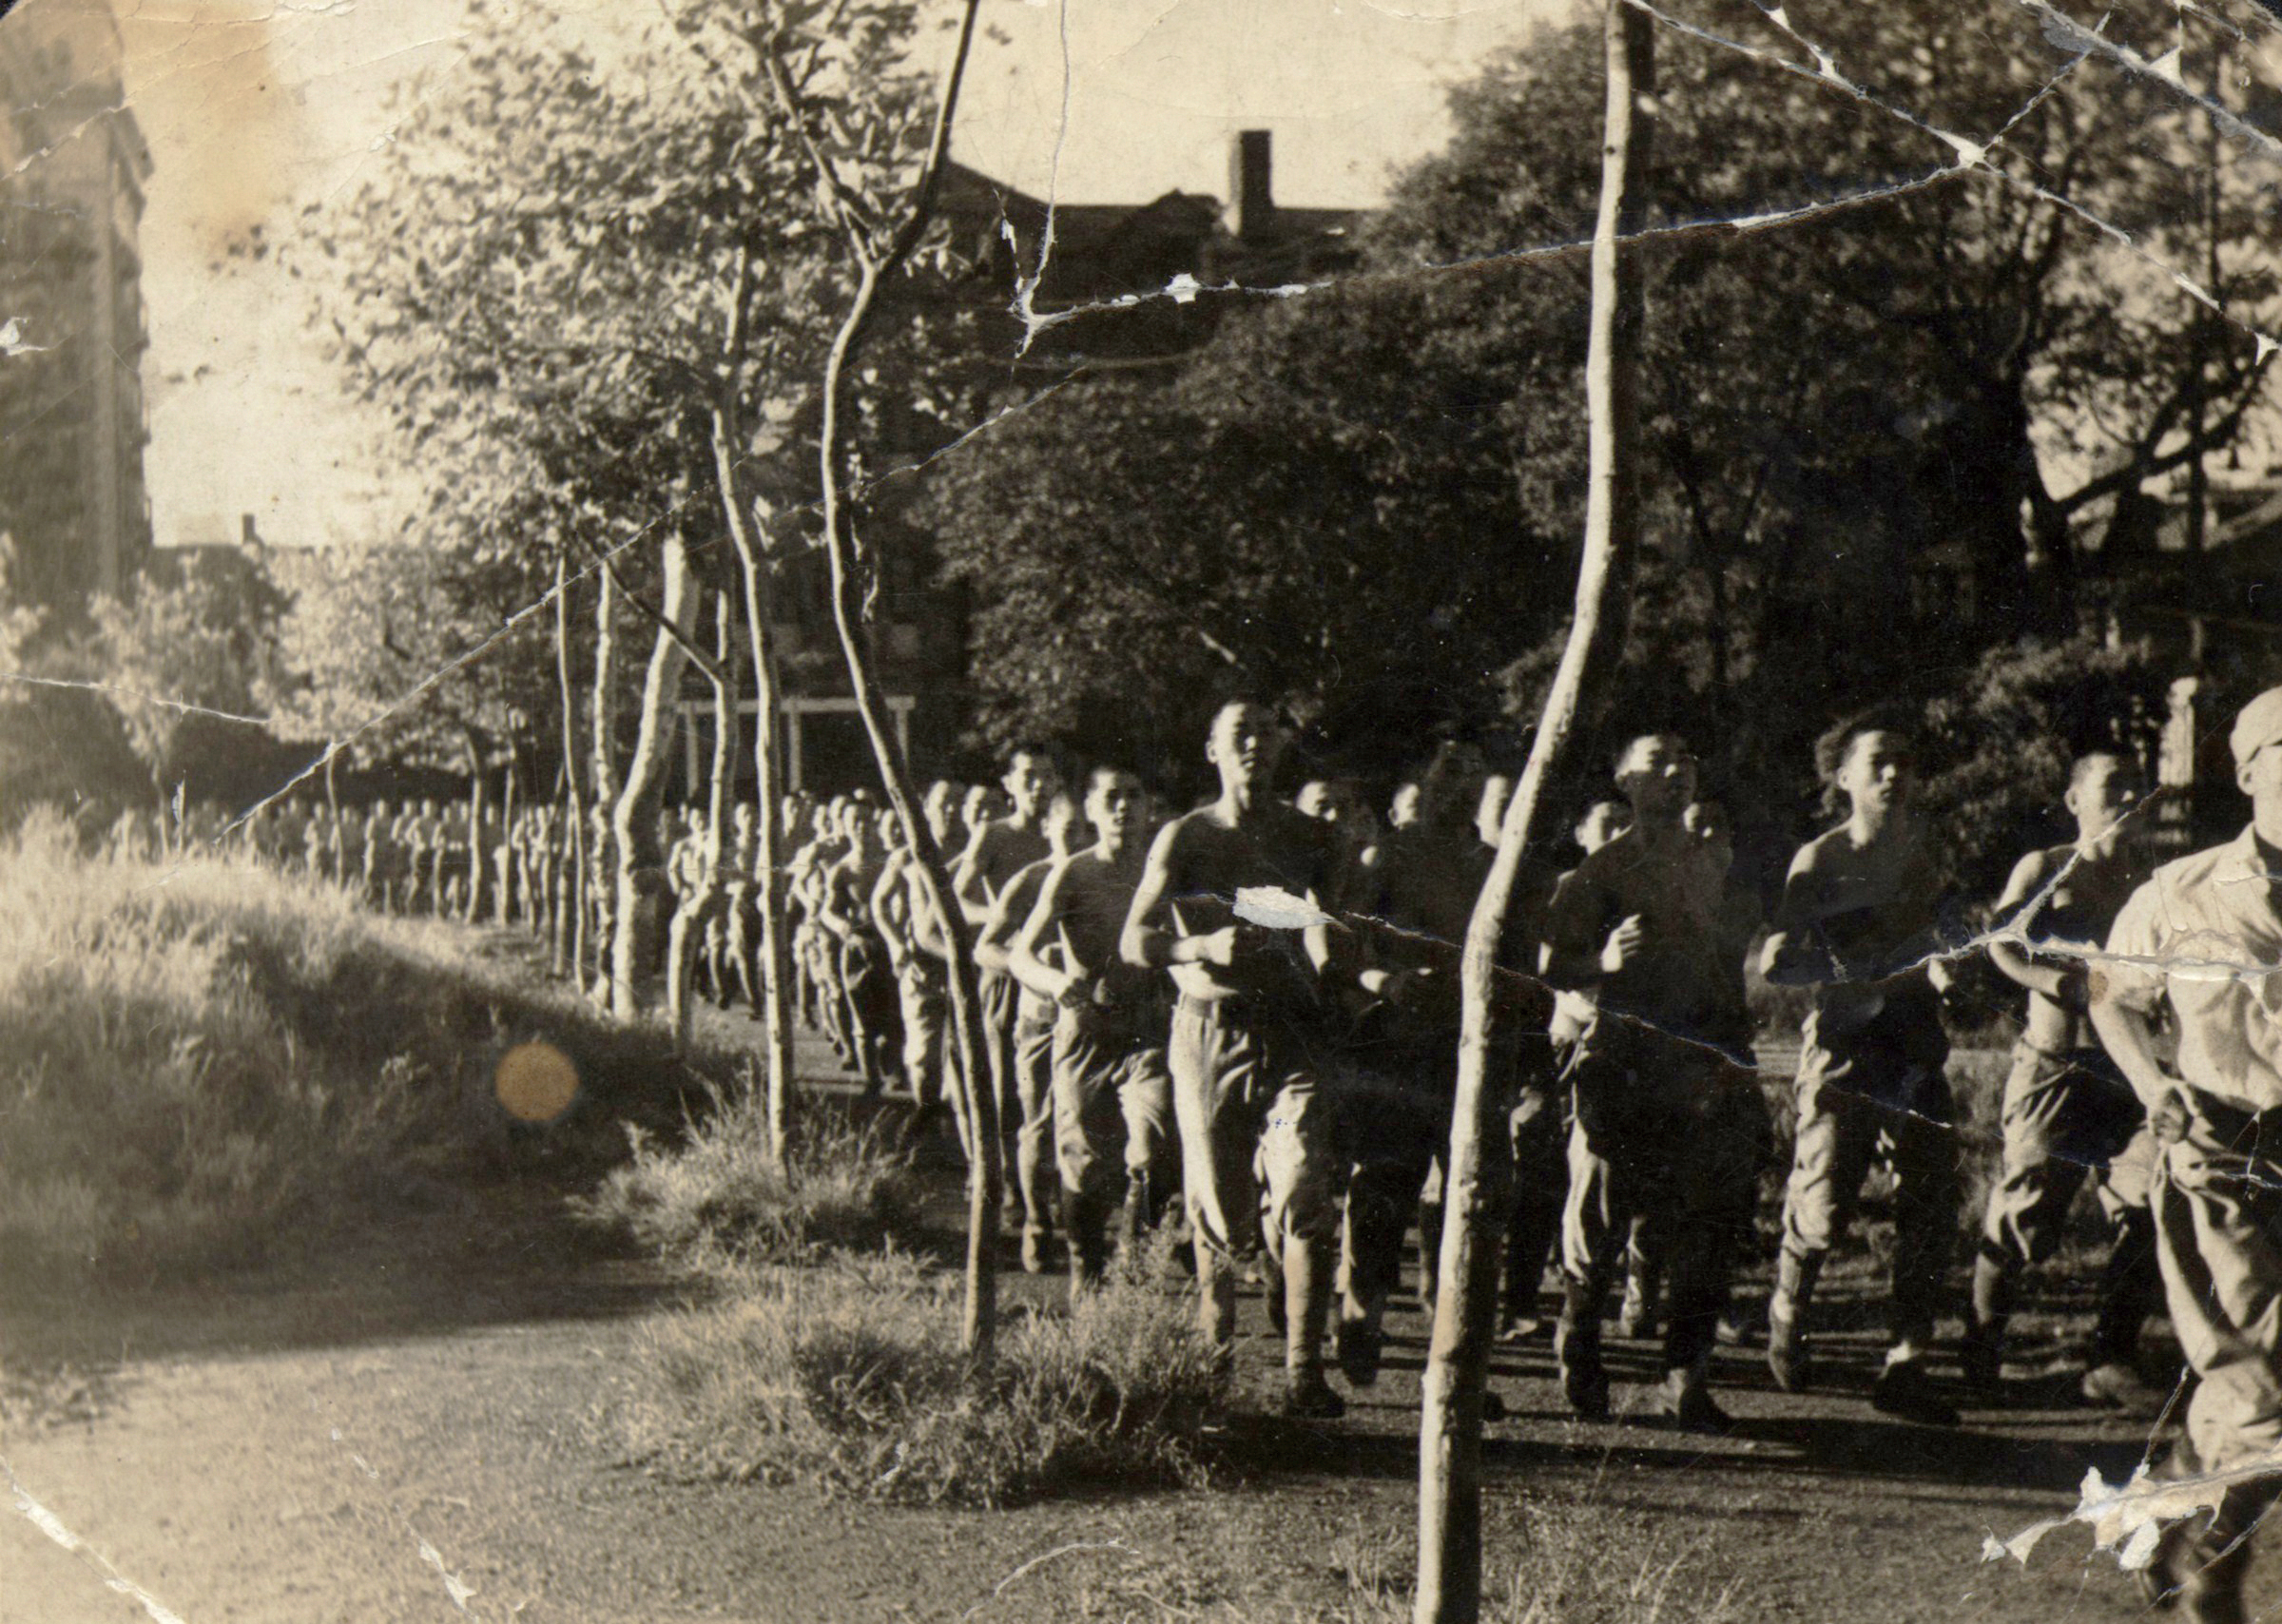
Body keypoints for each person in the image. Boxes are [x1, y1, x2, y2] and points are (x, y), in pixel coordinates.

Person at [2090, 687, 2282, 1619]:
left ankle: (2177, 1510)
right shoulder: (2180, 890)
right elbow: (2109, 994)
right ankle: (2208, 1561)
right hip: (2221, 1153)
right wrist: (2153, 1085)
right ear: (2247, 771)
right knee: (2264, 1377)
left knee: (2261, 1380)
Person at [1121, 700, 1350, 1419]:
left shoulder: (1308, 834)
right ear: (1213, 750)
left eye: (1265, 732)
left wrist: (1334, 968)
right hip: (1209, 1028)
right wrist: (1200, 948)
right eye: (1238, 735)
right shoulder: (1188, 835)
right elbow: (1136, 939)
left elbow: (1324, 925)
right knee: (1219, 1211)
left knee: (1307, 1188)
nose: (1254, 744)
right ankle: (1214, 1367)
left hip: (1293, 1033)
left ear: (1283, 745)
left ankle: (1304, 1373)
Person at [1539, 735, 1761, 1427]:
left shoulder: (1712, 866)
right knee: (1599, 1221)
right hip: (1621, 1062)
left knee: (1708, 1220)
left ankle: (1686, 1379)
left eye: (1686, 763)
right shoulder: (1600, 871)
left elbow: (1728, 966)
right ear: (1626, 783)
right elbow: (1549, 963)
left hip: (1700, 1062)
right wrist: (1601, 960)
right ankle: (1580, 1350)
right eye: (1658, 764)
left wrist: (1735, 1053)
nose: (1676, 774)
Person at [1763, 713, 1962, 1427]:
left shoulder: (1927, 853)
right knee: (1823, 1212)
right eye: (1878, 761)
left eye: (1904, 761)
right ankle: (1789, 1304)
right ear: (1842, 777)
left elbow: (1946, 935)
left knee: (1929, 1204)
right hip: (1846, 1050)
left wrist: (1945, 969)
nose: (1894, 774)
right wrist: (1842, 964)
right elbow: (1779, 957)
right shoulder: (1820, 860)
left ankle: (1907, 1360)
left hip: (1915, 1047)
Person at [1961, 752, 2162, 1412]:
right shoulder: (2047, 867)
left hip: (2129, 1072)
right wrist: (2050, 979)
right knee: (2026, 1214)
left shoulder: (2153, 879)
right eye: (2114, 787)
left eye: (2139, 784)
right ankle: (1982, 1348)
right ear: (2076, 800)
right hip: (2057, 1064)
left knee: (2151, 1202)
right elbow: (2002, 942)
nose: (2130, 796)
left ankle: (2110, 1358)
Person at [1335, 744, 1492, 1387]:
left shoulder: (1495, 862)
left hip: (1472, 1047)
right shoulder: (1391, 856)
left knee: (1472, 1198)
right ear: (1424, 784)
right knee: (1384, 1188)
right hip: (1398, 1043)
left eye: (1473, 775)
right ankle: (1360, 1313)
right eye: (1447, 774)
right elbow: (1348, 936)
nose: (1459, 788)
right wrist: (1384, 980)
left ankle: (1459, 1365)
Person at [1011, 767, 1178, 1300]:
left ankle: (1135, 1263)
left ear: (1149, 808)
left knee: (1153, 1149)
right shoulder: (1074, 875)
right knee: (1084, 1163)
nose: (1124, 808)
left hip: (1148, 1029)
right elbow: (1020, 953)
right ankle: (1087, 1263)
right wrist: (1056, 981)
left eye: (1135, 796)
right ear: (1090, 809)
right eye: (1111, 797)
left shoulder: (1165, 872)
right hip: (1086, 1032)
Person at [954, 750, 1065, 1238]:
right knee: (1006, 1091)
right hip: (1006, 971)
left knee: (1058, 1095)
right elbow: (956, 897)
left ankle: (1052, 1193)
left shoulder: (1070, 831)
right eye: (1028, 778)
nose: (1038, 786)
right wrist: (1008, 921)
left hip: (1063, 976)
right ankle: (1005, 1193)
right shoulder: (995, 834)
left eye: (1046, 776)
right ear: (1010, 785)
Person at [973, 791, 1083, 1270]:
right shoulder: (1031, 879)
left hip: (1096, 1018)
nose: (1077, 840)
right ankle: (1037, 1222)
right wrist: (1033, 969)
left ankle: (1085, 1231)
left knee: (1088, 1129)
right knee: (1039, 1121)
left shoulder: (1113, 877)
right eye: (1067, 830)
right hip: (1040, 1017)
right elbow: (986, 948)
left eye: (1085, 831)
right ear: (1048, 831)